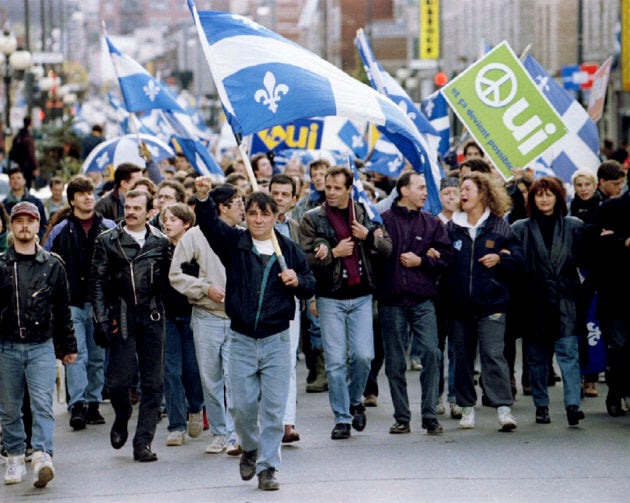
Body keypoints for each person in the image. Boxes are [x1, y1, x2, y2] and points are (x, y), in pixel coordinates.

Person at [194, 176, 315, 491]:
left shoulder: (287, 249)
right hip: (242, 340)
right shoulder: (235, 243)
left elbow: (310, 284)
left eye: (265, 214)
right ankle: (249, 446)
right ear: (244, 216)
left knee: (274, 410)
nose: (258, 220)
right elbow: (208, 223)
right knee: (243, 408)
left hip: (276, 339)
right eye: (252, 214)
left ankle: (268, 468)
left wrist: (297, 280)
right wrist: (203, 196)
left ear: (276, 216)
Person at [299, 165, 392, 440]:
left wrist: (369, 237)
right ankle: (342, 417)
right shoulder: (312, 218)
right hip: (331, 297)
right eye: (328, 187)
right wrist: (332, 255)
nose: (331, 192)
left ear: (349, 189)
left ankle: (355, 399)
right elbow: (303, 259)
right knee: (336, 362)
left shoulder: (365, 212)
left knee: (363, 355)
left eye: (337, 188)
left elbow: (387, 248)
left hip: (362, 296)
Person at [0, 201, 77, 488]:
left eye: (30, 221)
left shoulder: (53, 265)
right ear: (11, 226)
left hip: (41, 344)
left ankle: (43, 455)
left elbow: (62, 309)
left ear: (38, 226)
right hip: (6, 345)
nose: (24, 225)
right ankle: (16, 457)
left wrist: (67, 346)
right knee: (9, 408)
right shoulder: (1, 265)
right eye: (19, 220)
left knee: (43, 403)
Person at [90, 189, 170, 462]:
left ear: (150, 212)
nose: (131, 211)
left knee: (153, 383)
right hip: (121, 314)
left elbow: (172, 280)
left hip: (152, 314)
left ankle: (143, 443)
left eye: (138, 207)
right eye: (128, 206)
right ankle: (122, 415)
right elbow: (98, 282)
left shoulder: (161, 242)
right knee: (118, 382)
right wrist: (100, 319)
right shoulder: (108, 240)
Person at [442, 172, 524, 431]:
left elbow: (520, 260)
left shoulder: (500, 226)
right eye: (460, 189)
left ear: (483, 194)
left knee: (492, 354)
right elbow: (442, 259)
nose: (461, 194)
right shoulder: (451, 227)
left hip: (492, 304)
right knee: (463, 359)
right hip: (459, 306)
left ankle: (503, 409)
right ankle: (467, 409)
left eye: (467, 189)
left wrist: (501, 259)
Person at [170, 184, 244, 456]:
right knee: (211, 379)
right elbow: (175, 274)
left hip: (237, 319)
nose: (243, 208)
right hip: (206, 316)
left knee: (234, 378)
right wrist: (204, 288)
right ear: (222, 206)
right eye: (237, 202)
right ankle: (219, 432)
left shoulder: (245, 235)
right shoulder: (195, 236)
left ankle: (237, 433)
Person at [377, 172, 452, 435]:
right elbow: (373, 256)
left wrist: (423, 261)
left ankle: (430, 414)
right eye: (420, 188)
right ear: (403, 190)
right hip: (392, 301)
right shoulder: (383, 221)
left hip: (423, 301)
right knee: (395, 362)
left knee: (432, 353)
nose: (425, 193)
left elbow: (446, 258)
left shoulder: (432, 224)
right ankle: (402, 417)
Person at [43, 175, 115, 431]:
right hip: (71, 302)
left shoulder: (108, 227)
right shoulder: (62, 230)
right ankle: (79, 404)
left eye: (90, 193)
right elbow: (47, 263)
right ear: (72, 199)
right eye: (82, 193)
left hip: (100, 302)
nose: (88, 197)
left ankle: (94, 402)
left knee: (97, 355)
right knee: (77, 354)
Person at [512, 177, 586, 426]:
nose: (544, 199)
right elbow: (515, 265)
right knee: (536, 357)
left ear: (558, 197)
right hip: (534, 300)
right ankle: (541, 406)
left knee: (568, 353)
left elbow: (586, 260)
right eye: (539, 195)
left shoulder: (574, 226)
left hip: (566, 299)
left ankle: (573, 404)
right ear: (532, 199)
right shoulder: (520, 228)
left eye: (549, 194)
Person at [584, 167, 630, 416]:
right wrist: (621, 241)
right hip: (616, 292)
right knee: (620, 347)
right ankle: (615, 393)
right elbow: (593, 244)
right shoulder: (611, 209)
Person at [160, 203, 205, 448]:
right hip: (167, 316)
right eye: (166, 219)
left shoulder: (196, 249)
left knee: (192, 368)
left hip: (192, 314)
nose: (168, 223)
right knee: (171, 371)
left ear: (186, 224)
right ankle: (176, 425)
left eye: (174, 219)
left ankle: (196, 407)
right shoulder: (160, 249)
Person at [269, 174, 302, 443]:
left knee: (288, 361)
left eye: (284, 194)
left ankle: (287, 421)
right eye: (274, 193)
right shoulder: (254, 227)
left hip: (290, 303)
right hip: (261, 306)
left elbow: (306, 265)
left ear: (293, 200)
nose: (278, 198)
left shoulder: (297, 228)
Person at [4, 167, 48, 240]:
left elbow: (43, 226)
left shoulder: (36, 202)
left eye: (18, 178)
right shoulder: (4, 205)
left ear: (24, 181)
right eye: (12, 178)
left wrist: (37, 240)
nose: (15, 181)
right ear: (9, 182)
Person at [9, 116, 39, 188]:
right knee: (26, 186)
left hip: (18, 166)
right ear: (31, 123)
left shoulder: (18, 136)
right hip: (27, 167)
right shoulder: (28, 137)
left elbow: (12, 151)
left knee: (18, 186)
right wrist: (35, 167)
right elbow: (31, 154)